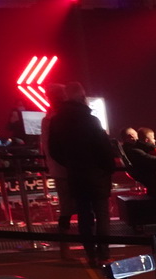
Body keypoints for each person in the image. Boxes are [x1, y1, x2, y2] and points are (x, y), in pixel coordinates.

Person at [47, 81, 116, 265]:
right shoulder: (91, 120)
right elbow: (103, 148)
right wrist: (108, 168)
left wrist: (70, 164)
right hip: (97, 174)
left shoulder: (56, 120)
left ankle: (90, 254)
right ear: (82, 97)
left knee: (84, 217)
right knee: (102, 215)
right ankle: (104, 253)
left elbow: (54, 150)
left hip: (75, 174)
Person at [40, 84, 78, 261]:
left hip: (59, 168)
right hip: (69, 168)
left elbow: (47, 148)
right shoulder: (58, 118)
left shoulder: (48, 118)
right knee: (74, 208)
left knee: (66, 209)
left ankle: (66, 248)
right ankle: (71, 248)